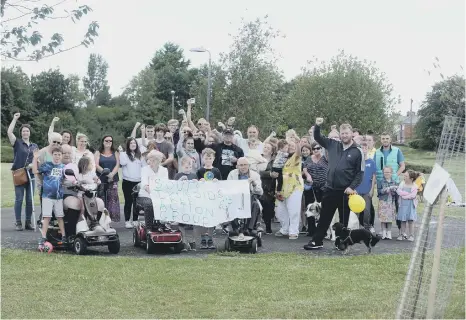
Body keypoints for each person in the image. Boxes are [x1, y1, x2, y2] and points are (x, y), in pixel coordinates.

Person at [304, 118, 364, 250]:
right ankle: (317, 241)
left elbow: (360, 173)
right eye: (342, 133)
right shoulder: (332, 144)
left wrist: (351, 187)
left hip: (346, 191)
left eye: (346, 133)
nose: (344, 136)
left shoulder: (357, 151)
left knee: (344, 220)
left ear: (351, 134)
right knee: (325, 217)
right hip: (330, 188)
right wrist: (318, 125)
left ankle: (342, 242)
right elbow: (317, 137)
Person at [8, 113, 39, 231]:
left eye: (27, 131)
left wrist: (33, 165)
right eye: (23, 131)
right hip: (19, 174)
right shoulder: (17, 143)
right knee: (19, 199)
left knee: (30, 200)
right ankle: (18, 222)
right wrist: (15, 119)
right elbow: (9, 132)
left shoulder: (34, 146)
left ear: (30, 133)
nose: (25, 133)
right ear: (21, 133)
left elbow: (38, 160)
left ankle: (28, 222)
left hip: (31, 175)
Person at [32, 147, 67, 249]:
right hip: (47, 196)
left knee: (60, 216)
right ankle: (43, 237)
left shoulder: (63, 167)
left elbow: (68, 178)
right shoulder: (47, 165)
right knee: (47, 217)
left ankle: (64, 236)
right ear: (52, 155)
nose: (57, 156)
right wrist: (35, 158)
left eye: (59, 155)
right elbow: (35, 171)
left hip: (59, 196)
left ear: (61, 156)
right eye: (55, 154)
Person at [375, 132, 406, 234]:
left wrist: (395, 175)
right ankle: (384, 231)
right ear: (381, 140)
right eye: (383, 138)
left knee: (397, 206)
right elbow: (375, 168)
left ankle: (401, 231)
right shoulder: (377, 152)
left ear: (390, 139)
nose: (385, 140)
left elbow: (402, 166)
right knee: (383, 207)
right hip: (381, 184)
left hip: (394, 184)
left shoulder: (397, 151)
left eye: (387, 138)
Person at [275, 140, 304, 240]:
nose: (290, 147)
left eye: (293, 146)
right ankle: (285, 229)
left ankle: (293, 231)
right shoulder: (281, 157)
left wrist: (297, 144)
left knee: (293, 210)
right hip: (281, 186)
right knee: (281, 210)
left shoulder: (296, 157)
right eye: (289, 146)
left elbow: (299, 153)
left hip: (294, 185)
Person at [227, 157, 264, 232]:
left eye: (245, 165)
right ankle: (235, 228)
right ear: (237, 166)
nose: (243, 167)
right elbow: (228, 188)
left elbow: (260, 192)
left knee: (255, 205)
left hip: (250, 195)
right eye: (241, 165)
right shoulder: (232, 174)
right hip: (236, 196)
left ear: (249, 165)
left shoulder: (255, 175)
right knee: (230, 204)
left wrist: (254, 184)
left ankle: (250, 228)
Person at [196, 148, 222, 249]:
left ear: (213, 159)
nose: (208, 160)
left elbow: (221, 184)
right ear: (202, 158)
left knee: (212, 219)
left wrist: (216, 181)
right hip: (203, 198)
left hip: (213, 198)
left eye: (210, 158)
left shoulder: (216, 170)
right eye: (206, 158)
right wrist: (199, 181)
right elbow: (195, 184)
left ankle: (210, 239)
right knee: (203, 219)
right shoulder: (200, 170)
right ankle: (203, 239)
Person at [138, 150, 169, 231]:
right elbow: (144, 184)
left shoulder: (164, 170)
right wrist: (153, 193)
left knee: (166, 202)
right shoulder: (145, 169)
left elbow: (165, 184)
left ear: (158, 161)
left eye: (153, 160)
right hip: (146, 195)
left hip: (160, 195)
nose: (150, 162)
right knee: (149, 204)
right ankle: (149, 227)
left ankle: (162, 224)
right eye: (149, 160)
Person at [302, 141, 328, 237]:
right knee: (310, 207)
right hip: (311, 187)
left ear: (321, 149)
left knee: (323, 209)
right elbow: (304, 168)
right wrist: (308, 175)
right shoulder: (309, 158)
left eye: (318, 148)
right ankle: (311, 229)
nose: (316, 150)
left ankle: (322, 230)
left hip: (323, 187)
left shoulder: (325, 158)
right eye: (314, 149)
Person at [174, 156, 200, 251]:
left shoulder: (194, 175)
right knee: (182, 223)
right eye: (186, 167)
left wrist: (196, 183)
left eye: (189, 167)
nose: (188, 169)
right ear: (182, 166)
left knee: (192, 224)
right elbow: (174, 188)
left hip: (191, 202)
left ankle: (192, 242)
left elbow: (197, 189)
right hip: (182, 202)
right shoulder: (178, 175)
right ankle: (184, 242)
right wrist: (180, 181)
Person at [95, 135, 121, 222]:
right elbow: (96, 165)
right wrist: (106, 173)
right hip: (101, 178)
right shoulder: (98, 152)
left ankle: (112, 219)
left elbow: (117, 164)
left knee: (112, 199)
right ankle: (101, 219)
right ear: (103, 142)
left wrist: (112, 174)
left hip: (113, 179)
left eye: (110, 141)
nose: (108, 142)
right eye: (106, 141)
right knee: (101, 199)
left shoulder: (115, 152)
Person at [120, 138, 143, 228]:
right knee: (128, 201)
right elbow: (123, 163)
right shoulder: (124, 154)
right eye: (131, 143)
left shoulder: (139, 155)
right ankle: (127, 221)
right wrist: (126, 153)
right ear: (128, 145)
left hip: (137, 182)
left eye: (134, 143)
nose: (133, 144)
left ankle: (135, 220)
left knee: (136, 202)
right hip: (127, 182)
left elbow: (143, 166)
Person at [355, 141, 377, 233]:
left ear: (368, 149)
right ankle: (355, 227)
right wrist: (354, 189)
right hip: (357, 190)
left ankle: (367, 227)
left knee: (367, 210)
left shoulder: (371, 162)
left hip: (367, 190)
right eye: (362, 148)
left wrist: (372, 189)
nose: (364, 150)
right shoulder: (357, 162)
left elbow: (374, 176)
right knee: (356, 210)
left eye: (365, 148)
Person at [258, 142, 277, 234]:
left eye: (268, 148)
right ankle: (257, 226)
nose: (265, 149)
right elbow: (256, 171)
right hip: (258, 186)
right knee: (258, 208)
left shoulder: (275, 161)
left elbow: (277, 172)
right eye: (264, 147)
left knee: (268, 209)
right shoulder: (258, 158)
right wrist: (269, 174)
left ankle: (268, 226)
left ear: (272, 151)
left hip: (270, 188)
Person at [396, 170, 420, 242]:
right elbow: (398, 191)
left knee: (410, 221)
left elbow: (413, 196)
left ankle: (411, 235)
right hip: (403, 205)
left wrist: (404, 196)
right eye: (404, 175)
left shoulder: (414, 186)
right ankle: (402, 234)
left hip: (410, 206)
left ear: (411, 179)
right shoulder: (402, 183)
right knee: (403, 221)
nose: (404, 177)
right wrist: (406, 193)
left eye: (406, 176)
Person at [377, 166, 398, 240]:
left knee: (389, 219)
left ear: (391, 173)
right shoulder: (380, 181)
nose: (387, 173)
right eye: (385, 172)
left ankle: (389, 233)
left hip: (391, 202)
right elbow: (379, 192)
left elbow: (396, 193)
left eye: (388, 172)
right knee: (383, 219)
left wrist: (393, 190)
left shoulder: (394, 182)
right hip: (383, 202)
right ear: (383, 173)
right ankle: (383, 232)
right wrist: (386, 189)